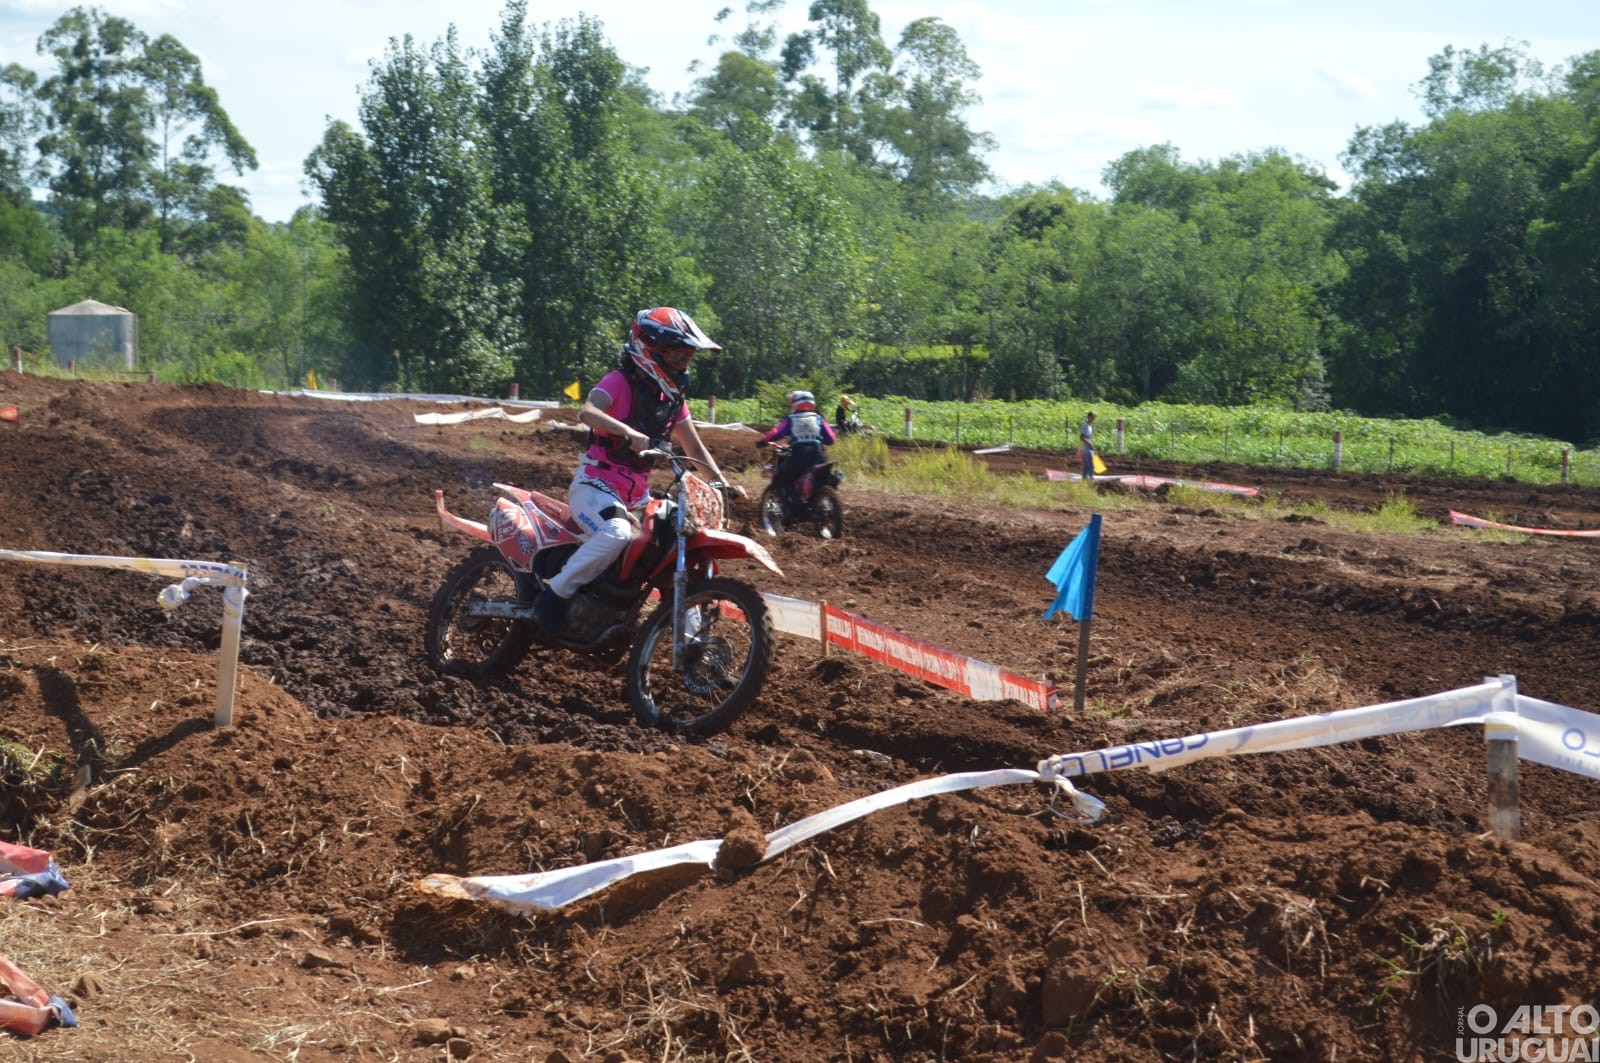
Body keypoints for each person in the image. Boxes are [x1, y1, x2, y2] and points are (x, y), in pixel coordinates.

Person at [534, 307, 744, 635]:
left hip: (636, 497)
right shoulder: (618, 382)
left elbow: (694, 448)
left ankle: (692, 641)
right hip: (595, 486)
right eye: (676, 354)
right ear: (650, 352)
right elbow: (587, 412)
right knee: (617, 532)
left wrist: (720, 483)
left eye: (687, 357)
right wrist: (625, 432)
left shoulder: (673, 401)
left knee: (680, 539)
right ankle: (554, 595)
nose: (683, 365)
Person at [758, 390, 837, 511]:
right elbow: (831, 439)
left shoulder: (791, 419)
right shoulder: (818, 419)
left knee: (779, 477)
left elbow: (776, 433)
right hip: (818, 456)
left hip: (799, 455)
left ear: (795, 403)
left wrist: (763, 441)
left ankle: (787, 509)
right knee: (824, 479)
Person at [1079, 410, 1097, 481]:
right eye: (1093, 417)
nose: (1094, 419)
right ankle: (1091, 479)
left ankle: (1084, 479)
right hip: (1086, 449)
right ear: (1089, 417)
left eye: (1094, 418)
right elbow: (1081, 437)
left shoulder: (1090, 426)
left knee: (1086, 466)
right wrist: (1090, 444)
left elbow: (1088, 437)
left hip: (1088, 448)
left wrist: (1091, 445)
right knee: (1090, 465)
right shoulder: (1086, 426)